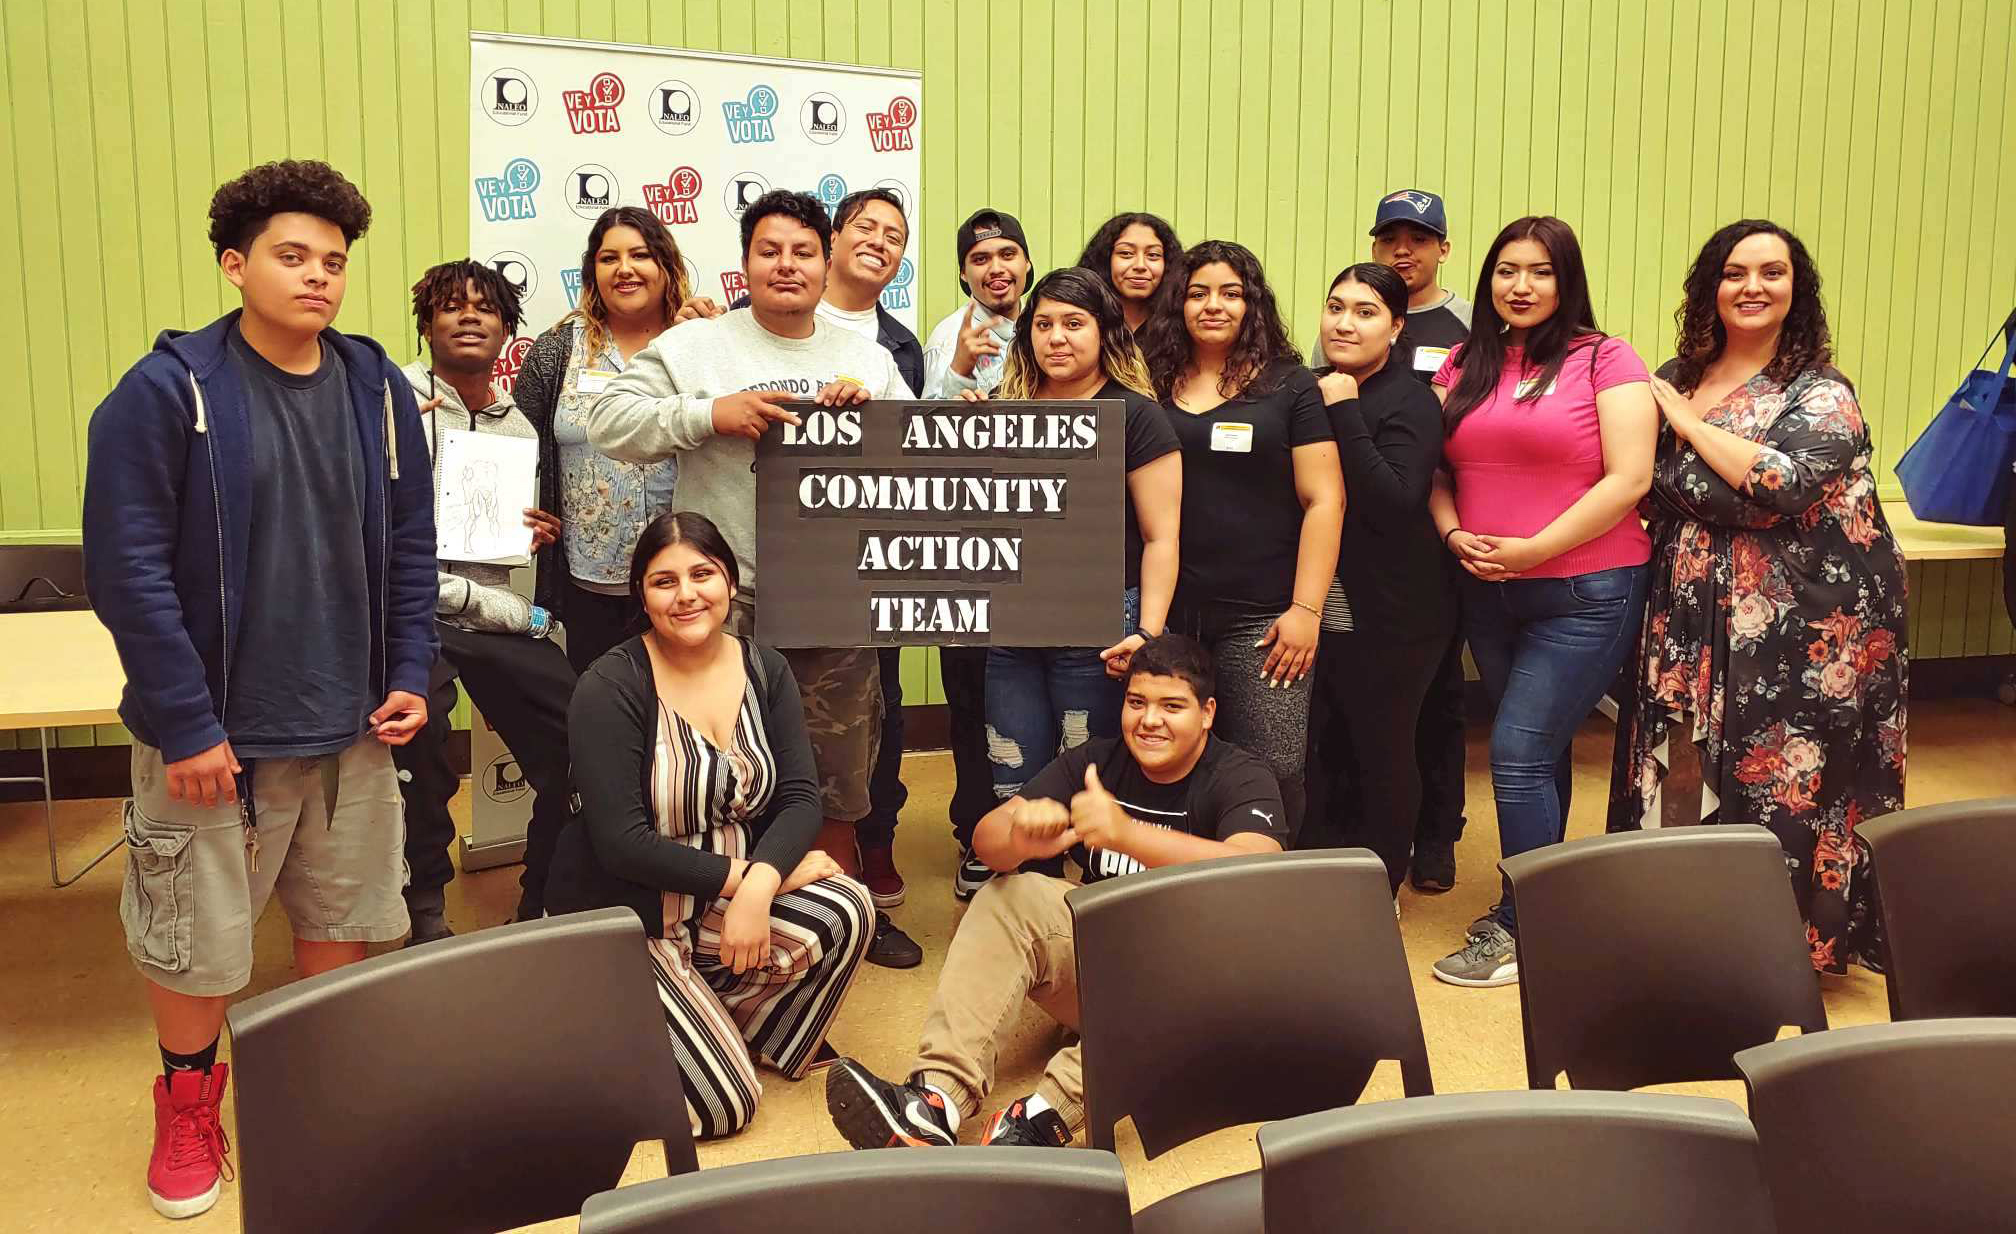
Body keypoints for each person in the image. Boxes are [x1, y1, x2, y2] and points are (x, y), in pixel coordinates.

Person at [81, 160, 435, 1219]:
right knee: (196, 938)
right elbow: (129, 571)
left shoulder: (376, 386)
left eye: (333, 261)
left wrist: (411, 669)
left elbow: (413, 544)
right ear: (235, 265)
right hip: (212, 738)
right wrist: (186, 722)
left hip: (351, 724)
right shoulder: (167, 394)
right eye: (292, 255)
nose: (318, 277)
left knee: (342, 918)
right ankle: (189, 1104)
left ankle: (312, 1097)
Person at [820, 634, 1285, 1149]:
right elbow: (988, 840)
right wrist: (1018, 836)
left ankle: (1041, 1121)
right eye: (1137, 703)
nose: (1149, 720)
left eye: (1171, 706)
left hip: (1196, 997)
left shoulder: (1240, 775)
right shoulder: (1097, 763)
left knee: (1175, 961)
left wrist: (1128, 835)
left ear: (1207, 713)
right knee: (1008, 894)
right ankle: (934, 1102)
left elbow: (1258, 871)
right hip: (1106, 969)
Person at [585, 189, 910, 883]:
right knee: (712, 770)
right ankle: (719, 904)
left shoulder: (869, 358)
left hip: (833, 604)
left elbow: (917, 469)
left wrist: (873, 417)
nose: (786, 265)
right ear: (745, 264)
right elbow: (607, 422)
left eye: (802, 252)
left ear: (826, 264)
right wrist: (708, 415)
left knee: (836, 774)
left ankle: (831, 911)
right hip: (717, 604)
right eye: (769, 251)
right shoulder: (694, 346)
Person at [1610, 220, 1907, 974]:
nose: (1752, 287)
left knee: (1782, 774)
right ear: (1710, 285)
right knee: (1681, 755)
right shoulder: (1680, 369)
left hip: (1803, 624)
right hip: (1687, 606)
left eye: (1772, 273)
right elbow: (1653, 485)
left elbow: (1786, 484)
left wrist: (1683, 426)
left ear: (1795, 288)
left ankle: (1774, 949)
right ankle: (1678, 926)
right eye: (1736, 272)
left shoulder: (1820, 390)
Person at [545, 512, 874, 1138]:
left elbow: (802, 797)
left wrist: (759, 887)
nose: (687, 594)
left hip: (717, 910)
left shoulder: (764, 667)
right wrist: (753, 878)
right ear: (641, 594)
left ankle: (713, 1024)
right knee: (726, 1105)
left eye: (703, 574)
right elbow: (620, 844)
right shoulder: (610, 684)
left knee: (847, 907)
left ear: (728, 580)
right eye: (664, 581)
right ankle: (627, 1033)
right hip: (630, 919)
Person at [1426, 216, 1656, 988]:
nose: (1520, 286)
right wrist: (1454, 533)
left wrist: (1534, 550)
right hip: (1488, 591)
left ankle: (1524, 927)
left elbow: (1629, 479)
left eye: (1541, 272)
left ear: (1567, 281)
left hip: (1585, 590)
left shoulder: (1607, 358)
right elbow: (1437, 466)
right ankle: (1555, 902)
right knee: (1544, 748)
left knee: (1518, 753)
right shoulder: (1466, 359)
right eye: (1506, 271)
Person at [957, 268, 1182, 810]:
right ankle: (1021, 869)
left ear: (1104, 331)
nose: (1056, 337)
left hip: (1103, 623)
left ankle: (1093, 882)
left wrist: (1147, 632)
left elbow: (1161, 538)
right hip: (1013, 620)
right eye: (1043, 324)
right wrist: (959, 442)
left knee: (1092, 767)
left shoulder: (1137, 416)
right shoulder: (1001, 411)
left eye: (1073, 323)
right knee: (1011, 761)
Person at [394, 260, 575, 934]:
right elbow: (382, 549)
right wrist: (506, 608)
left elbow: (497, 543)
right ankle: (424, 909)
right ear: (427, 324)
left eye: (484, 307)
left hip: (485, 613)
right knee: (422, 744)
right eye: (451, 306)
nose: (468, 316)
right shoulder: (393, 404)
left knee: (583, 734)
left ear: (506, 329)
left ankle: (547, 897)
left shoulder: (517, 428)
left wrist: (530, 530)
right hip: (409, 615)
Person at [1144, 239, 1344, 841]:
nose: (1214, 305)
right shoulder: (1147, 377)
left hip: (1263, 613)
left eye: (1231, 293)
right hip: (1167, 607)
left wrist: (1307, 609)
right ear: (1177, 302)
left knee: (1273, 764)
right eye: (1199, 292)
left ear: (1251, 304)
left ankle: (1265, 892)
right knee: (1167, 758)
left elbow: (1325, 499)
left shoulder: (1290, 385)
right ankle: (1183, 888)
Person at [1303, 263, 1457, 898]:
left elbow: (1395, 499)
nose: (1345, 322)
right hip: (1324, 597)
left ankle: (1381, 884)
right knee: (1326, 737)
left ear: (1396, 326)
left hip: (1398, 607)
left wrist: (1344, 412)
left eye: (1365, 312)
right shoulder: (1309, 386)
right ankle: (1319, 874)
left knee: (1384, 743)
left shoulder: (1409, 399)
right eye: (1336, 307)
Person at [508, 206, 691, 674]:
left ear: (666, 267)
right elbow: (510, 444)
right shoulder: (558, 351)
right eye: (609, 258)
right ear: (593, 271)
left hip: (685, 581)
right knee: (602, 711)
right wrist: (508, 518)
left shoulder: (698, 346)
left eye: (641, 255)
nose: (625, 269)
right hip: (591, 585)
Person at [820, 186, 927, 967]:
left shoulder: (899, 345)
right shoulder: (764, 322)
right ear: (832, 237)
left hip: (871, 564)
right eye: (866, 227)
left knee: (874, 724)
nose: (880, 242)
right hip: (778, 566)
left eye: (895, 235)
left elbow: (913, 450)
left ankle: (868, 858)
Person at [919, 207, 1036, 897]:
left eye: (1008, 254)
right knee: (970, 695)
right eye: (982, 257)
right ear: (964, 270)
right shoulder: (951, 338)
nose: (996, 267)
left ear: (1026, 264)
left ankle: (1036, 832)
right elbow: (926, 441)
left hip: (1036, 545)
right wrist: (960, 380)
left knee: (1029, 694)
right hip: (965, 548)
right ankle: (977, 832)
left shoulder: (1050, 324)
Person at [1077, 212, 1185, 334]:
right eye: (1126, 253)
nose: (1140, 265)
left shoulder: (1183, 325)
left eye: (1153, 255)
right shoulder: (1080, 321)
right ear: (1106, 260)